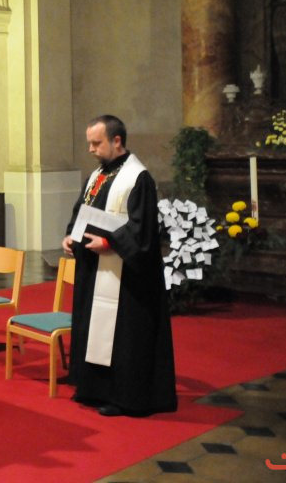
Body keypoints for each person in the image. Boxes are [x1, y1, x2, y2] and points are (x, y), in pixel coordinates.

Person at [61, 114, 177, 417]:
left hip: (127, 276)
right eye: (89, 143)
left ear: (117, 141)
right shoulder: (98, 175)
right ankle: (93, 388)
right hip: (94, 268)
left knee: (124, 338)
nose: (91, 149)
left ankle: (124, 397)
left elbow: (143, 231)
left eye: (96, 143)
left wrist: (109, 243)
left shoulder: (138, 179)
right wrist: (71, 235)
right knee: (94, 327)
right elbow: (82, 211)